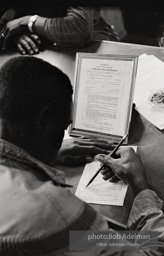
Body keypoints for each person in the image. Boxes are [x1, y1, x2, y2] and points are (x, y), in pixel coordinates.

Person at [0, 56, 163, 256]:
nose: (62, 136)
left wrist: (39, 154)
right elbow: (149, 253)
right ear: (42, 122)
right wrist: (141, 188)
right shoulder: (58, 212)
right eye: (62, 127)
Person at [0, 6, 119, 55]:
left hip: (89, 46)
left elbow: (78, 29)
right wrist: (14, 34)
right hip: (43, 49)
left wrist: (28, 22)